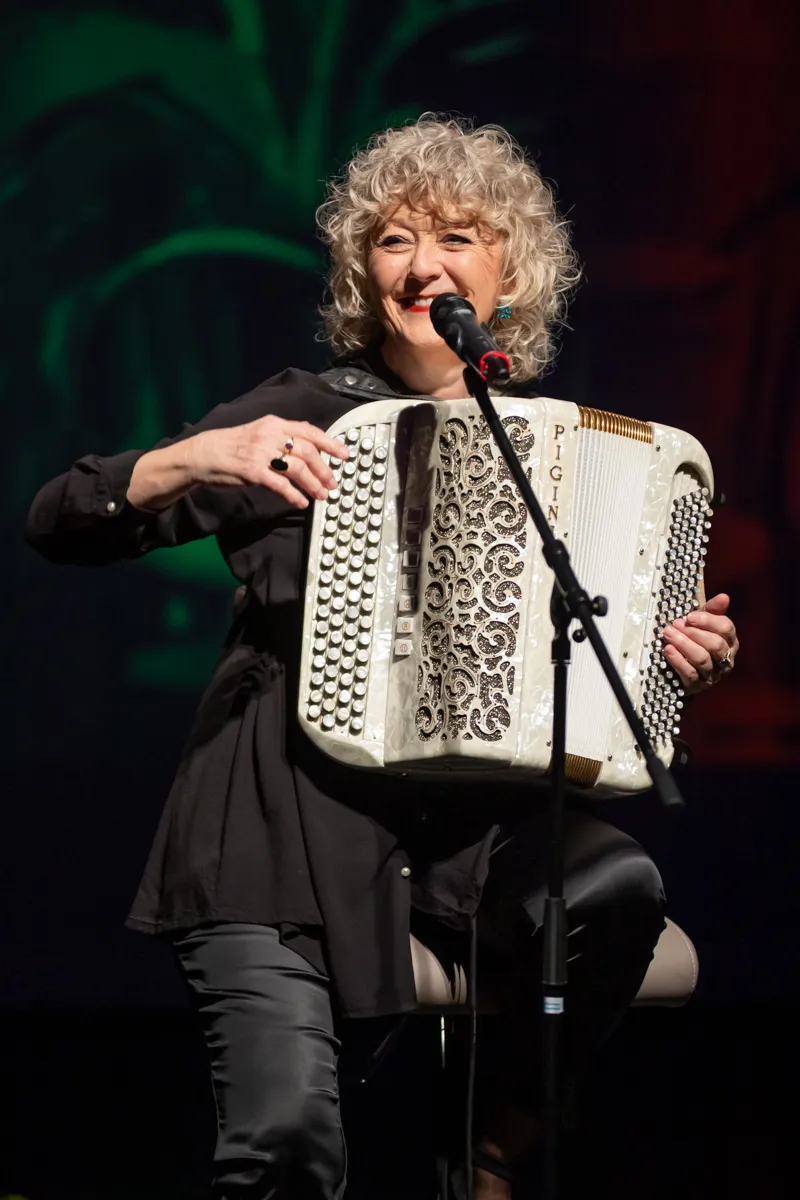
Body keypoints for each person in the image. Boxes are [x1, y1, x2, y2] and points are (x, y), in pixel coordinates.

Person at [25, 116, 739, 1200]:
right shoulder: (299, 411)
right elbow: (61, 522)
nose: (423, 265)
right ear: (364, 271)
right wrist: (194, 457)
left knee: (613, 886)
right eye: (393, 239)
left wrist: (677, 655)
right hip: (279, 821)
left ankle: (494, 1150)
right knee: (289, 1150)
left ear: (509, 273)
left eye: (457, 236)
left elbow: (594, 654)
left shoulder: (549, 439)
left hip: (466, 833)